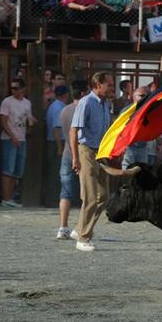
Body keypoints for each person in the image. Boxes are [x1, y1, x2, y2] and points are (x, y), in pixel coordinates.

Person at [69, 71, 114, 252]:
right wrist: (75, 158)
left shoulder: (106, 104)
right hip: (86, 151)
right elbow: (73, 131)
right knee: (89, 196)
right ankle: (83, 238)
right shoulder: (86, 102)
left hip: (101, 151)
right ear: (98, 85)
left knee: (103, 196)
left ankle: (80, 228)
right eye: (109, 84)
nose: (112, 87)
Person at [55, 80, 88, 240]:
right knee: (86, 193)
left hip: (67, 153)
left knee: (65, 192)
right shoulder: (84, 109)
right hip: (82, 154)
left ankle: (63, 227)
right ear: (83, 93)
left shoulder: (64, 110)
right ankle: (80, 226)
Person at [0, 78, 37, 208]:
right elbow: (3, 121)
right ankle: (6, 198)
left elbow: (29, 119)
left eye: (16, 88)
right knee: (8, 169)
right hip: (9, 138)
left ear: (23, 89)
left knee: (18, 170)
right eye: (12, 88)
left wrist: (31, 123)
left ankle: (11, 197)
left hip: (22, 137)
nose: (13, 90)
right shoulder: (7, 102)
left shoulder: (27, 103)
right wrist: (12, 136)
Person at [45, 85, 70, 207]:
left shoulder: (56, 106)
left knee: (56, 171)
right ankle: (52, 199)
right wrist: (60, 147)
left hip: (56, 142)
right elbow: (56, 128)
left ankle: (54, 198)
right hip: (57, 143)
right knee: (55, 172)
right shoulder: (58, 108)